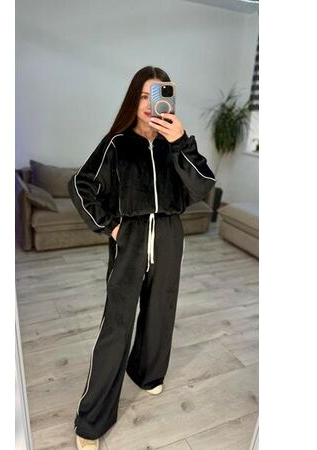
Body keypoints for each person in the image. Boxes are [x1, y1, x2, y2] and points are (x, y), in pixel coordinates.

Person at [67, 66, 216, 450]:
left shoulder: (176, 144)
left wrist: (180, 141)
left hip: (168, 236)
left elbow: (203, 186)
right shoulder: (117, 143)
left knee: (160, 310)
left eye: (158, 95)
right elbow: (81, 184)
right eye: (143, 96)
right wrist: (110, 226)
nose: (151, 104)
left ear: (168, 99)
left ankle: (146, 372)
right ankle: (92, 421)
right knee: (117, 325)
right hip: (130, 240)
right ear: (134, 100)